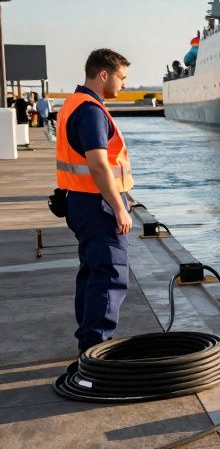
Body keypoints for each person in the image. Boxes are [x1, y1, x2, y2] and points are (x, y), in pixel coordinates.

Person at [55, 49, 135, 353]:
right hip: (97, 205)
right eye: (122, 78)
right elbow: (99, 164)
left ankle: (88, 342)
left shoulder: (73, 104)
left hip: (80, 202)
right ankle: (97, 346)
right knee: (110, 275)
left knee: (91, 272)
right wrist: (118, 207)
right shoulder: (90, 111)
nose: (124, 85)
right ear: (104, 75)